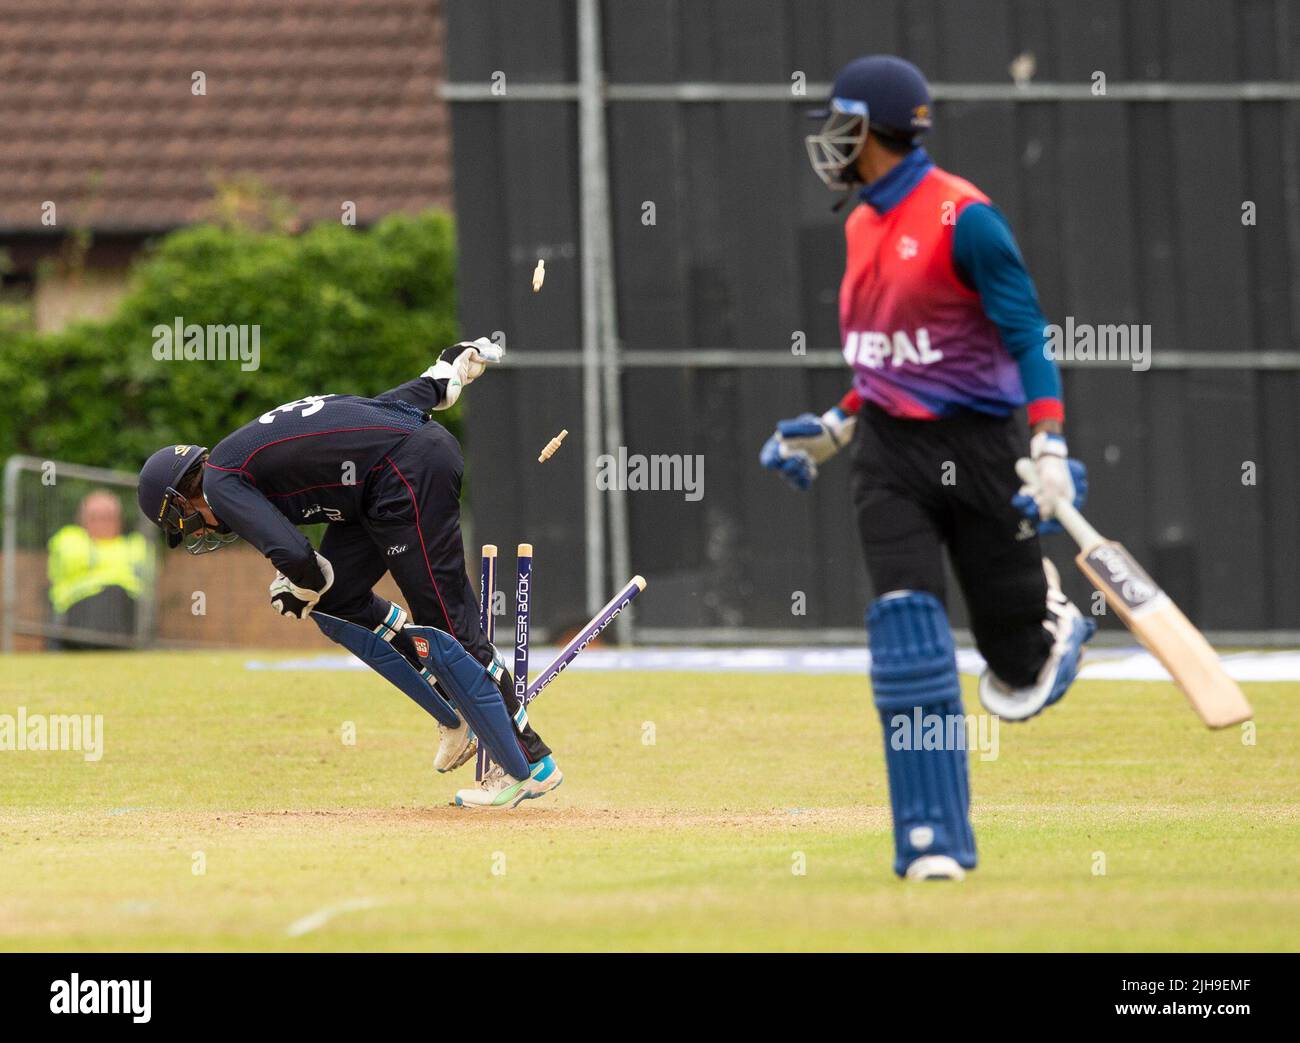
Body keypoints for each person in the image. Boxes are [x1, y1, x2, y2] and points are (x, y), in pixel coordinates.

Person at [761, 55, 1094, 881]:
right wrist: (838, 426)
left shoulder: (964, 218)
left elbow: (1027, 337)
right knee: (907, 635)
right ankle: (932, 838)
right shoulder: (860, 223)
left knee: (1014, 674)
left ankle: (1045, 622)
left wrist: (1048, 444)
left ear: (870, 132)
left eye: (841, 124)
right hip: (889, 457)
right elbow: (886, 360)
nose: (831, 141)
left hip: (980, 449)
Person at [136, 338, 561, 810]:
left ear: (182, 497)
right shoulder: (239, 455)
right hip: (375, 487)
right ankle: (454, 713)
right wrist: (443, 377)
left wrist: (298, 586)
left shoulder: (220, 482)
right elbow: (377, 412)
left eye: (183, 521)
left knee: (447, 623)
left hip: (404, 474)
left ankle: (530, 762)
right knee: (340, 600)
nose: (196, 528)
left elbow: (299, 558)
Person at [47, 490, 150, 649]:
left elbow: (148, 572)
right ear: (82, 520)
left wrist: (97, 564)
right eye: (95, 517)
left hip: (125, 613)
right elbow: (72, 558)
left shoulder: (135, 544)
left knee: (115, 595)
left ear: (119, 520)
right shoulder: (68, 537)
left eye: (109, 517)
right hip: (78, 611)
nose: (103, 522)